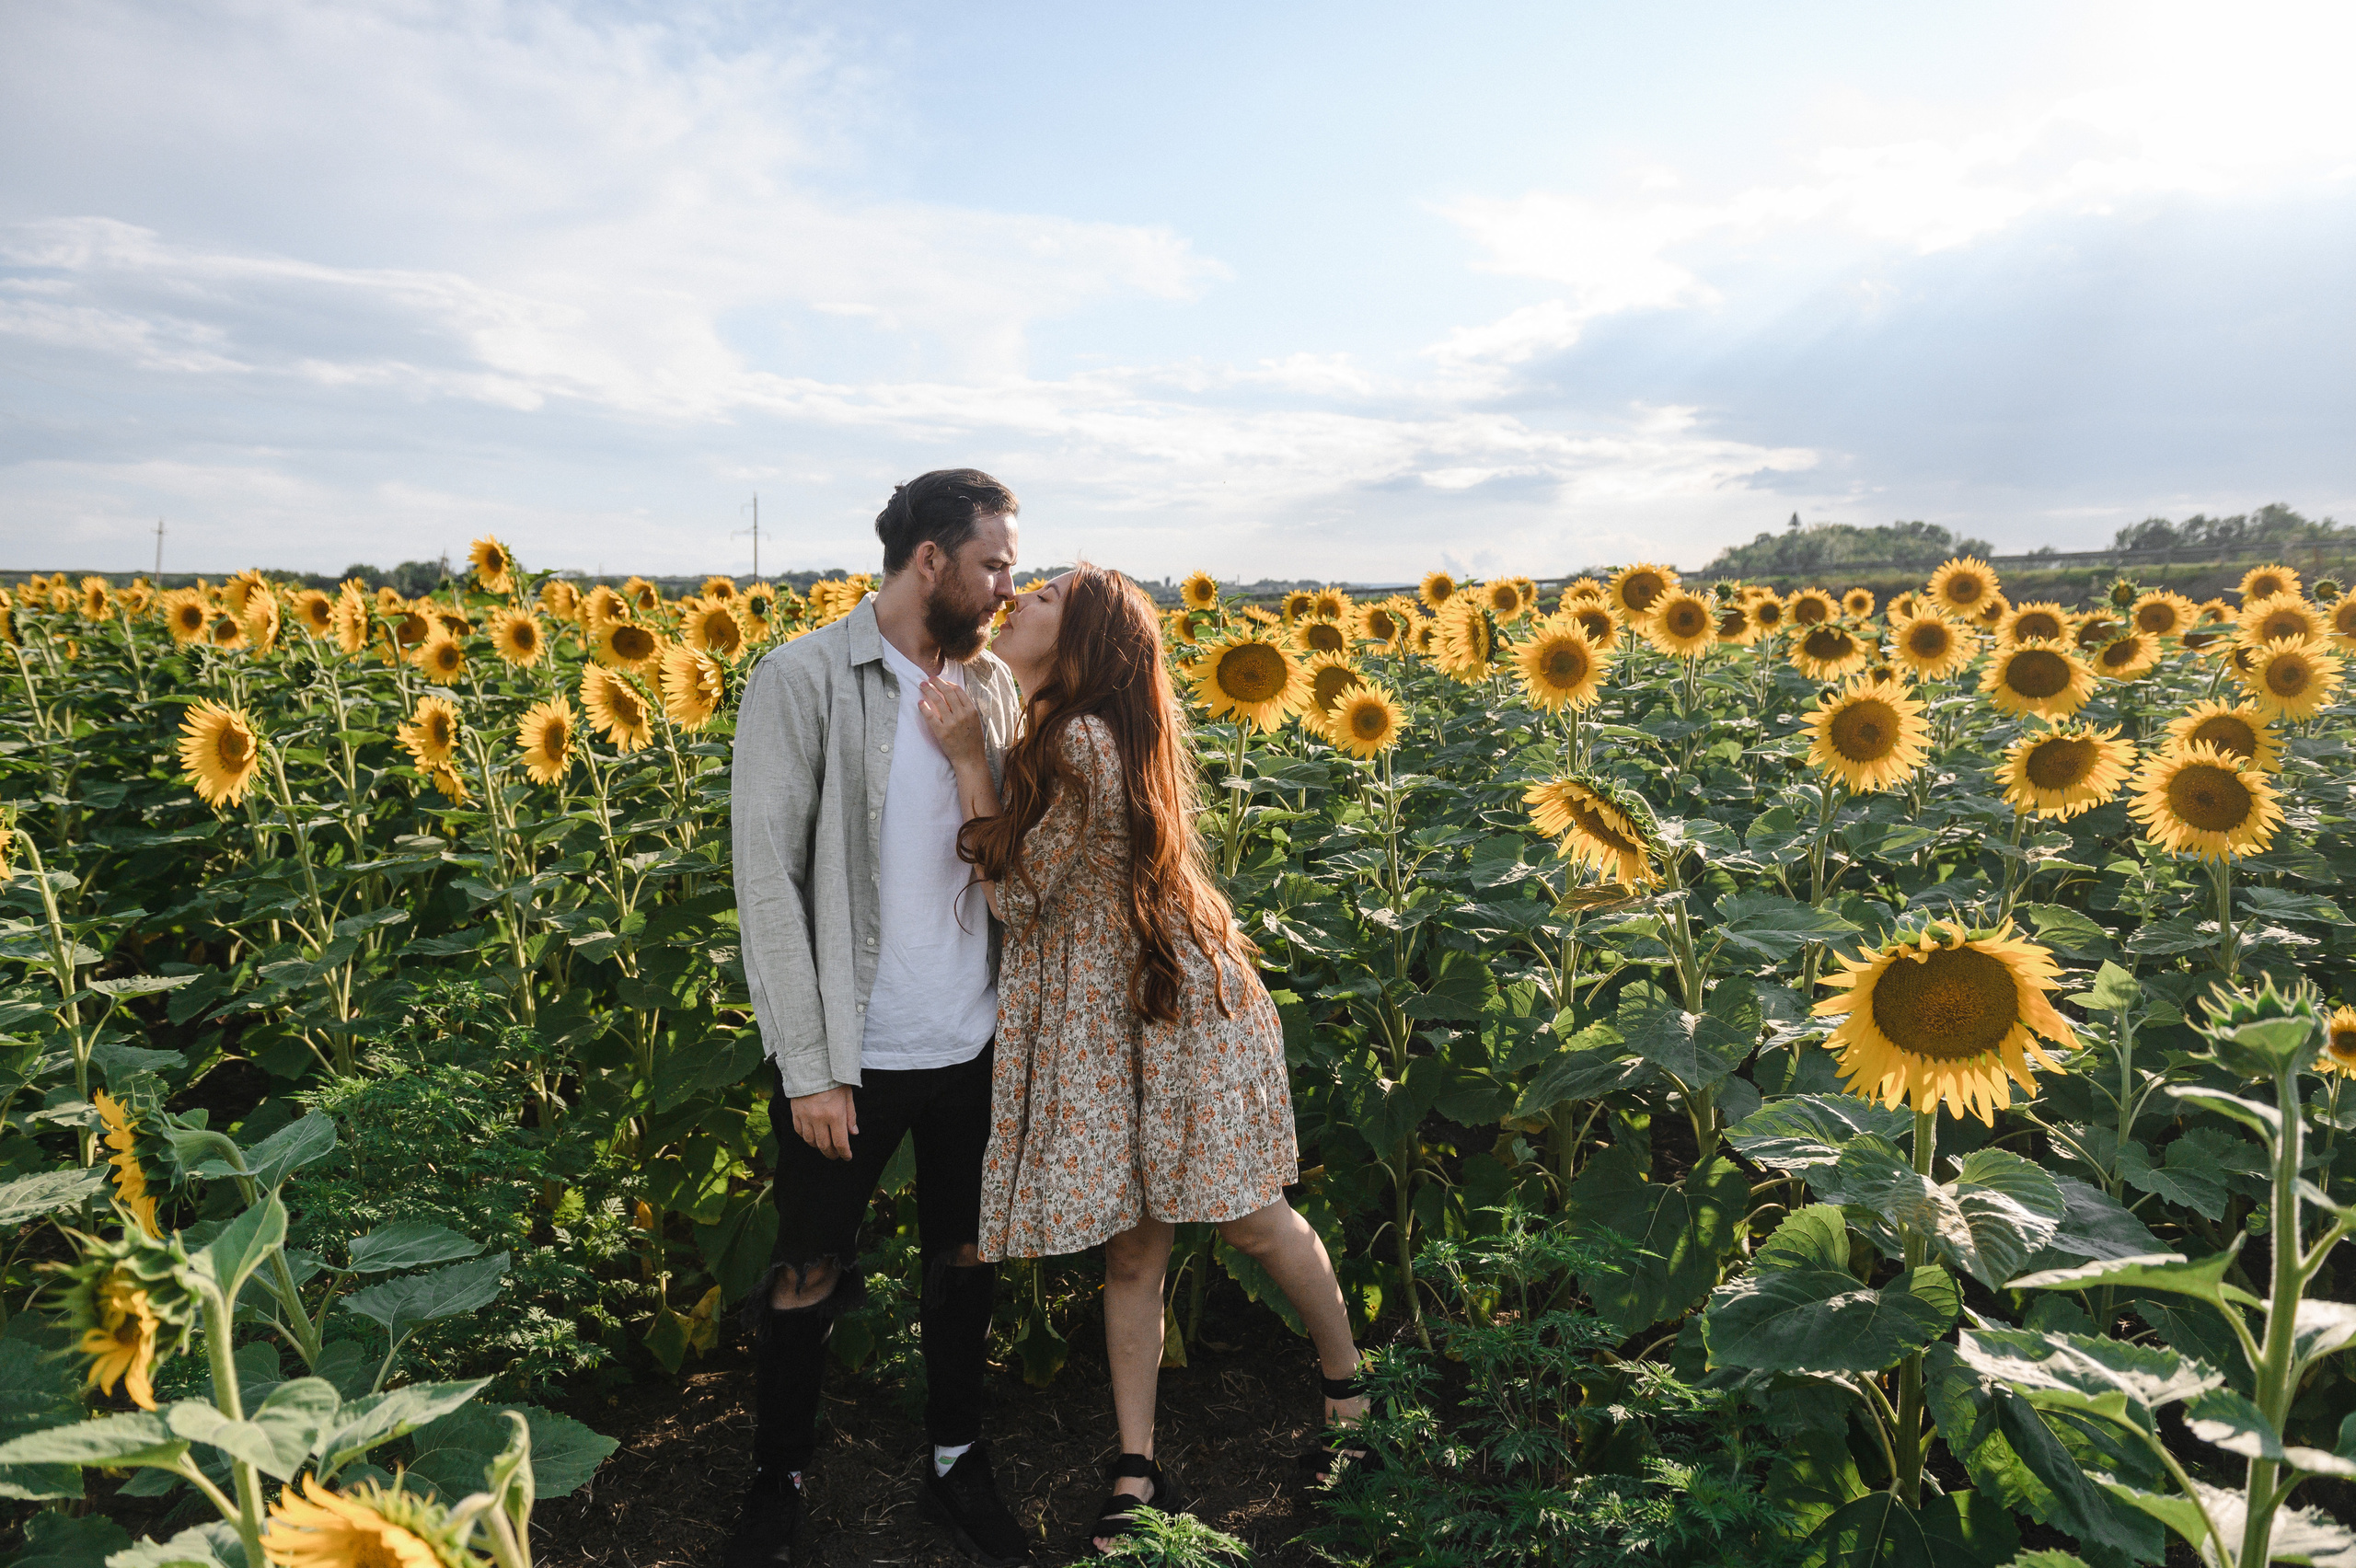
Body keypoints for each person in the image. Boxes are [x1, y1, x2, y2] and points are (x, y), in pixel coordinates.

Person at [916, 563, 1369, 1556]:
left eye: (1037, 600)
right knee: (1161, 1235)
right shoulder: (1075, 729)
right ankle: (1147, 1459)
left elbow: (1017, 900)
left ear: (1076, 643)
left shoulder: (1076, 739)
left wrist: (961, 757)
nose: (1013, 604)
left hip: (1157, 1010)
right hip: (1132, 1005)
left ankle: (1342, 1396)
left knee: (1237, 1220)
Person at [727, 469, 1034, 1567]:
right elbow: (766, 884)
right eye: (993, 561)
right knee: (807, 1270)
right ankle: (779, 1480)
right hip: (850, 1052)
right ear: (929, 562)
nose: (1008, 583)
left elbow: (1001, 855)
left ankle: (957, 1463)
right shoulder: (803, 677)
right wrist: (809, 1068)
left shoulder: (991, 689)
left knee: (964, 1256)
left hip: (970, 1035)